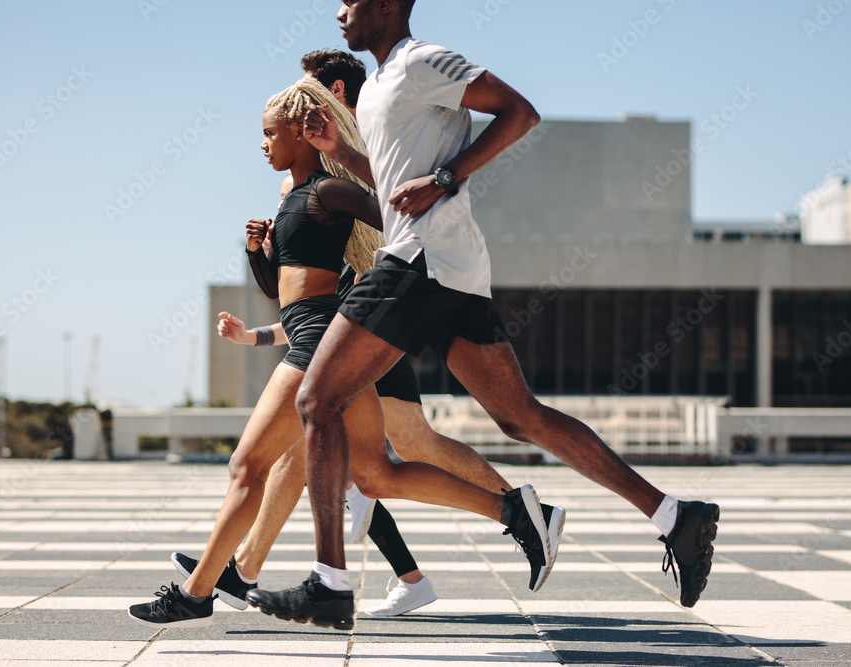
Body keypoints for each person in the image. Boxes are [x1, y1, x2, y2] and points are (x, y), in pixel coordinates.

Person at [252, 0, 720, 629]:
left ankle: (331, 584)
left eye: (350, 1)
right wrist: (341, 149)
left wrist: (446, 176)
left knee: (317, 400)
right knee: (520, 416)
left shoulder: (421, 62)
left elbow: (519, 112)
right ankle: (675, 517)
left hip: (418, 262)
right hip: (449, 268)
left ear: (387, 5)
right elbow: (395, 189)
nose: (339, 12)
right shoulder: (379, 91)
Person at [128, 77, 558, 631]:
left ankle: (198, 592)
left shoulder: (328, 190)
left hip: (317, 340)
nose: (262, 144)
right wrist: (257, 250)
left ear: (301, 134)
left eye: (269, 133)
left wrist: (385, 271)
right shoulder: (290, 198)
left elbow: (398, 212)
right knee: (377, 474)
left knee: (246, 466)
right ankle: (513, 513)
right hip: (312, 331)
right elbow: (277, 290)